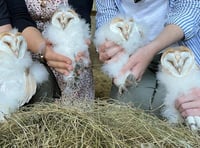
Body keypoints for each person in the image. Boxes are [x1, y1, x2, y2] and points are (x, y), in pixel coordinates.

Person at [95, 0, 200, 118]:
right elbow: (107, 13)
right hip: (132, 53)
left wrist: (150, 49)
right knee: (127, 112)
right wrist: (109, 42)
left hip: (180, 54)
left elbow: (189, 9)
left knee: (175, 111)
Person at [0, 0, 95, 103]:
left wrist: (78, 42)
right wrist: (42, 48)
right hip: (30, 51)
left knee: (74, 113)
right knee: (34, 110)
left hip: (67, 53)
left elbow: (80, 14)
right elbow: (19, 16)